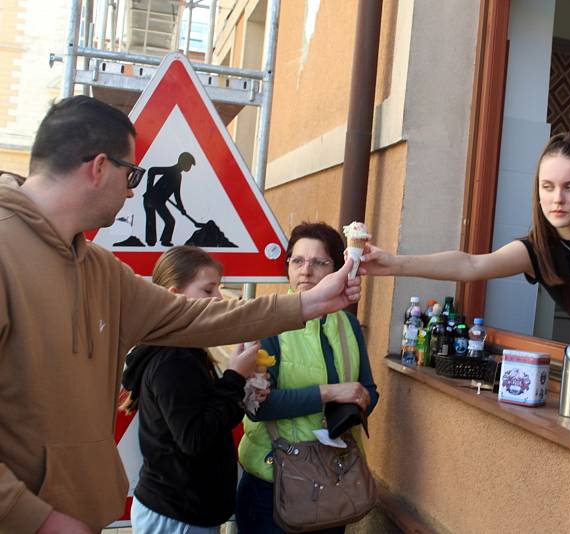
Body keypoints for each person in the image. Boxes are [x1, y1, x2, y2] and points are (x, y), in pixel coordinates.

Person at [0, 96, 360, 534]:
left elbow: (198, 319)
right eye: (130, 173)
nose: (134, 189)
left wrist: (311, 302)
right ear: (98, 168)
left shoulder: (99, 269)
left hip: (83, 517)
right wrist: (38, 521)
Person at [360, 132, 570, 355]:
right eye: (548, 186)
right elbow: (471, 264)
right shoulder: (537, 251)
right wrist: (393, 263)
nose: (557, 198)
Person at [236, 222, 379, 534]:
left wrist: (356, 406)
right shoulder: (266, 320)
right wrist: (329, 393)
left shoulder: (348, 325)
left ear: (337, 270)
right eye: (297, 261)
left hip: (332, 475)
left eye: (318, 262)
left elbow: (367, 390)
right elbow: (259, 407)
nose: (305, 271)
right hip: (272, 481)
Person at [120, 246, 266, 533]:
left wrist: (242, 393)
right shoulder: (172, 358)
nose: (219, 298)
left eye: (219, 289)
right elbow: (195, 437)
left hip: (185, 511)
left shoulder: (187, 349)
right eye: (208, 290)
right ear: (175, 296)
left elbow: (208, 420)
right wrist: (235, 377)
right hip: (176, 516)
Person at [144, 151, 195, 246]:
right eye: (189, 164)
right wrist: (149, 190)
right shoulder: (172, 170)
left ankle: (164, 241)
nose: (190, 167)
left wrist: (182, 209)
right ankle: (151, 243)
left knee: (170, 221)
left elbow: (177, 195)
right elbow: (152, 170)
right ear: (183, 162)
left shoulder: (178, 176)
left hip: (159, 201)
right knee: (152, 220)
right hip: (151, 199)